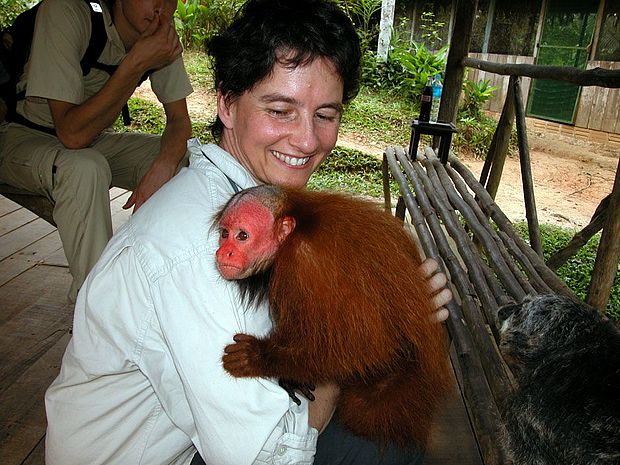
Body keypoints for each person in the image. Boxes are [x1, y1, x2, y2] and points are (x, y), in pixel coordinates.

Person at [44, 0, 452, 464]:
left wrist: (387, 303)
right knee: (385, 449)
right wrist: (358, 342)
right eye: (281, 110)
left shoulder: (258, 201)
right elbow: (272, 457)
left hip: (197, 441)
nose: (307, 141)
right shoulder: (201, 252)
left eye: (325, 114)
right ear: (227, 104)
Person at [0, 0, 193, 301]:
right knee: (85, 168)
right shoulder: (68, 11)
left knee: (194, 163)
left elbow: (179, 120)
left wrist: (165, 164)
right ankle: (98, 308)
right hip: (21, 137)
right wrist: (136, 63)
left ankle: (172, 291)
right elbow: (71, 133)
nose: (161, 5)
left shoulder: (158, 34)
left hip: (92, 140)